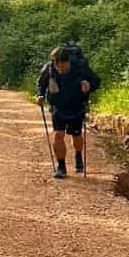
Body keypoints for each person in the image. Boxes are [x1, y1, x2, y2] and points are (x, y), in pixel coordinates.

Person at [36, 44, 101, 179]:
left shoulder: (80, 68)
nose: (60, 69)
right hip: (58, 107)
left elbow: (96, 80)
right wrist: (40, 95)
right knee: (58, 135)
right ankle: (61, 167)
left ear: (68, 62)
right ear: (54, 62)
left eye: (63, 66)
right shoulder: (49, 69)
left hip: (77, 106)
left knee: (76, 136)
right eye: (58, 66)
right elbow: (41, 84)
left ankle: (78, 154)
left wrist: (89, 86)